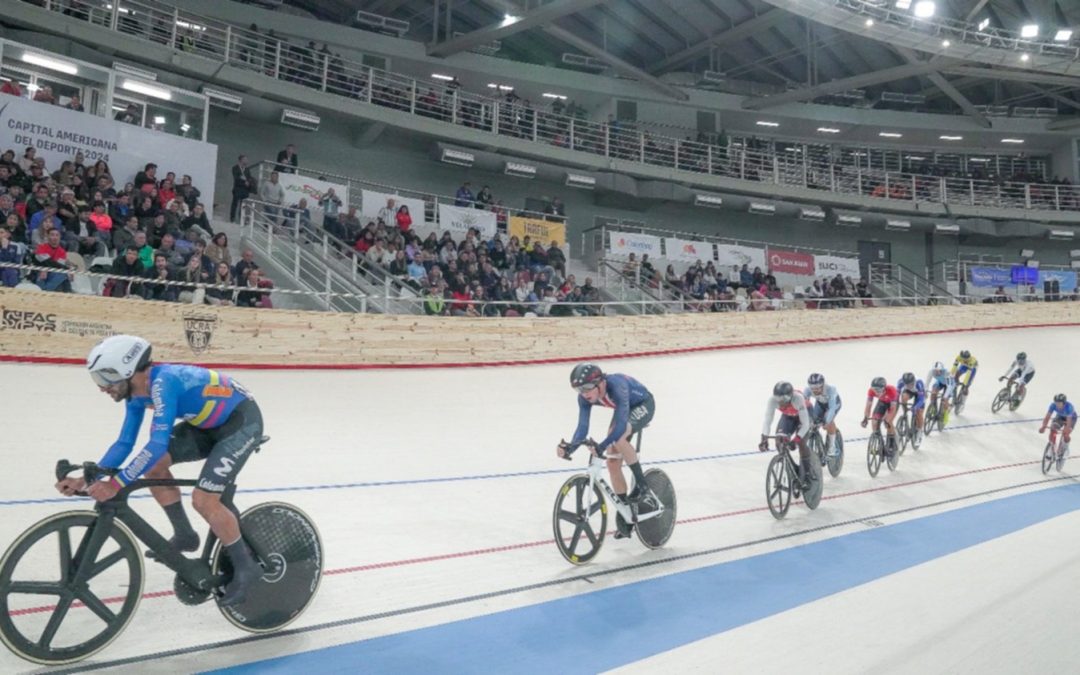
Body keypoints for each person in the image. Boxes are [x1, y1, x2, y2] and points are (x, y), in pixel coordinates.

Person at [55, 336, 265, 606]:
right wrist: (88, 477)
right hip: (205, 425)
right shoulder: (135, 393)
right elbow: (124, 443)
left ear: (128, 371)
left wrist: (116, 484)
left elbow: (156, 443)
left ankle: (247, 568)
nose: (102, 387)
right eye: (98, 379)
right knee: (153, 467)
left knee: (204, 500)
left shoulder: (165, 382)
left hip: (240, 424)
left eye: (105, 378)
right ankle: (185, 535)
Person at [557, 364, 656, 539]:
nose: (584, 393)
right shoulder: (584, 398)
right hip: (624, 411)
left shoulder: (617, 386)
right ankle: (626, 513)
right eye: (578, 389)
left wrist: (601, 446)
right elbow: (582, 428)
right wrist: (570, 447)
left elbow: (618, 430)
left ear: (600, 383)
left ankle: (643, 487)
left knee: (617, 437)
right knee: (612, 463)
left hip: (643, 404)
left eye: (587, 387)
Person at [759, 381, 817, 489]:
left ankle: (808, 474)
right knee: (779, 442)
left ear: (790, 396)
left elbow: (805, 424)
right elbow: (768, 420)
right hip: (788, 416)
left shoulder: (798, 398)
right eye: (778, 399)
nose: (781, 402)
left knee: (801, 443)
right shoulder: (772, 401)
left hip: (805, 415)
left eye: (784, 399)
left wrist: (796, 439)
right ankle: (793, 469)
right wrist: (764, 438)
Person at [804, 373, 841, 458]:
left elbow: (832, 408)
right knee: (813, 422)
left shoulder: (831, 389)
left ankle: (832, 448)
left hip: (833, 405)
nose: (815, 390)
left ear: (823, 385)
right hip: (820, 404)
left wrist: (826, 422)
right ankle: (817, 440)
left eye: (817, 388)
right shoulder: (807, 390)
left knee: (828, 422)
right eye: (812, 388)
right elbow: (804, 405)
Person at [861, 376, 899, 456]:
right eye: (874, 390)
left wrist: (887, 419)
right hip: (882, 402)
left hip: (893, 403)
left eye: (878, 390)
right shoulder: (871, 391)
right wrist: (865, 418)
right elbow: (868, 405)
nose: (876, 392)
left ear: (884, 388)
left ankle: (892, 441)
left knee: (888, 421)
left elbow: (892, 409)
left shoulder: (891, 391)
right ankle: (880, 443)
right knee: (874, 421)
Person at [1039, 393, 1076, 459]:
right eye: (1056, 402)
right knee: (1053, 428)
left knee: (1066, 434)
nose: (1057, 404)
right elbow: (1047, 417)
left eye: (1059, 403)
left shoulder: (1069, 407)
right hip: (1060, 416)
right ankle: (1051, 447)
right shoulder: (1053, 405)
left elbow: (1069, 421)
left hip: (1071, 418)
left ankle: (1066, 449)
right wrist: (1043, 426)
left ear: (1064, 403)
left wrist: (1066, 429)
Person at [926, 361, 955, 428]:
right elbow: (927, 382)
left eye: (938, 371)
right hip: (940, 382)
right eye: (935, 371)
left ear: (942, 370)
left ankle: (946, 414)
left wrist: (945, 397)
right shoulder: (931, 372)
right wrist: (926, 390)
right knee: (933, 393)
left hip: (949, 384)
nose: (936, 372)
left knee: (945, 399)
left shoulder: (946, 373)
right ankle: (933, 407)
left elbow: (949, 386)